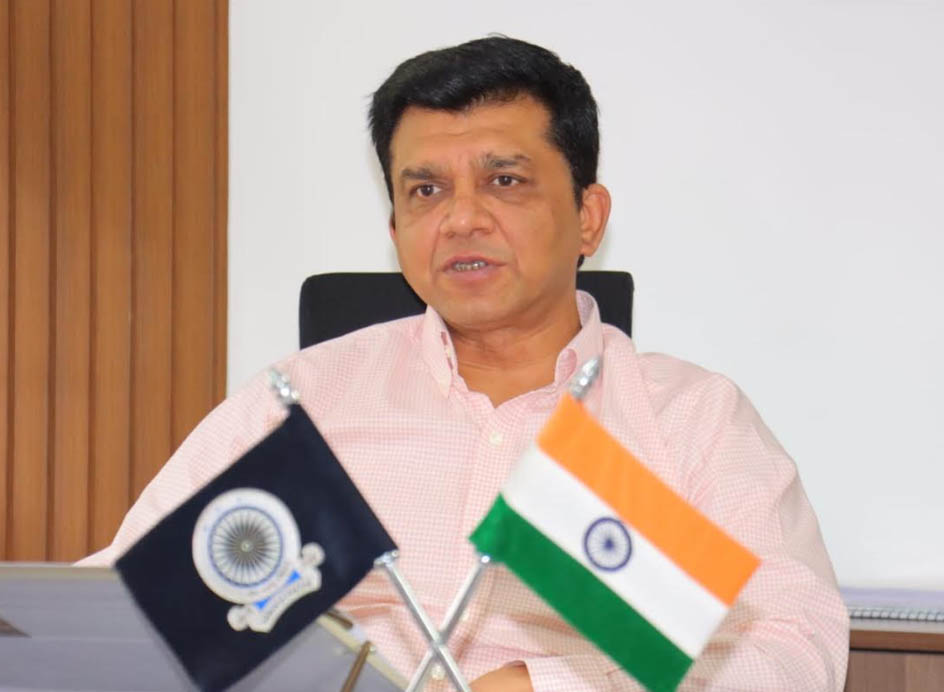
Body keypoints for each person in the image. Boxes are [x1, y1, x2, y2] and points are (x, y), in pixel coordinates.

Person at [81, 37, 849, 691]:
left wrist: (546, 686)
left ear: (588, 217)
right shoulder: (303, 406)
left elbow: (791, 644)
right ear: (396, 229)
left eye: (504, 181)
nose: (461, 218)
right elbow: (123, 613)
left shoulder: (685, 421)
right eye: (426, 189)